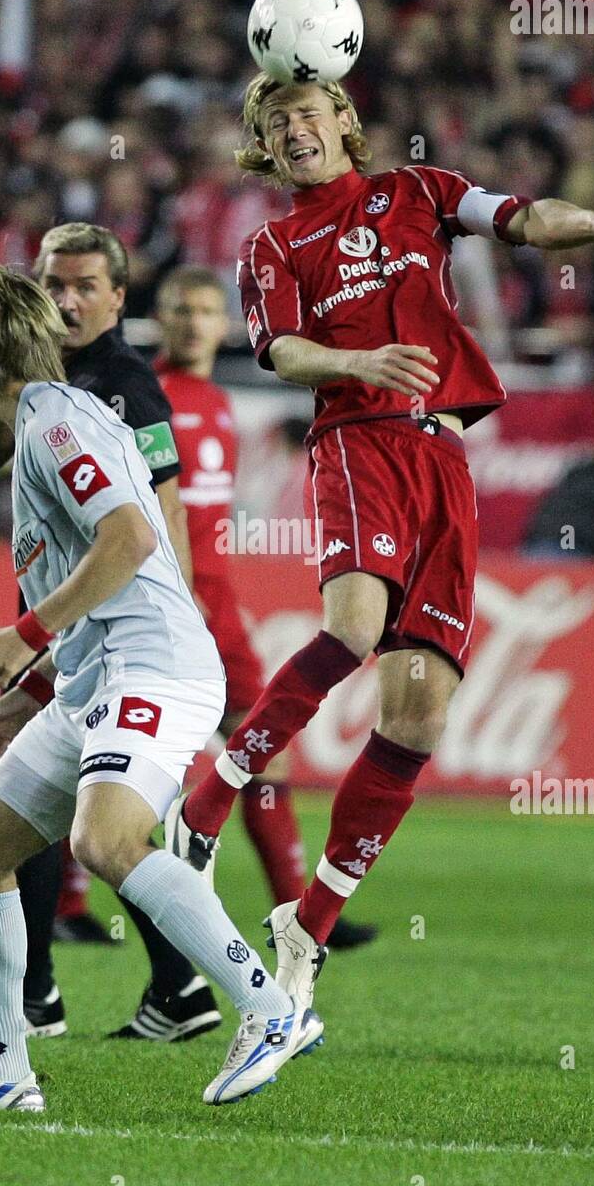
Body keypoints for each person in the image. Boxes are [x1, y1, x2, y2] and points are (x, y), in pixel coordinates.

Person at [166, 74, 594, 1016]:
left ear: (346, 120)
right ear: (265, 149)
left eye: (309, 113)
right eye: (276, 124)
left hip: (445, 456)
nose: (295, 130)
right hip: (358, 438)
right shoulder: (272, 245)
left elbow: (522, 217)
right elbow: (281, 354)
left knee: (420, 716)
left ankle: (305, 927)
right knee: (352, 626)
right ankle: (212, 797)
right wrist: (359, 362)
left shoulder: (421, 193)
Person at [0, 267, 322, 1112]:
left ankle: (270, 1009)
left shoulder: (55, 423)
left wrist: (25, 633)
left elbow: (129, 539)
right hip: (94, 675)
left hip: (155, 667)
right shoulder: (46, 422)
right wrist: (43, 678)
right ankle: (2, 1071)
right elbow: (108, 568)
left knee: (106, 838)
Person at [0, 223, 222, 1044]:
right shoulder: (47, 380)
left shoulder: (129, 386)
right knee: (54, 809)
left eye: (84, 286)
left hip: (130, 631)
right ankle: (81, 993)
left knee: (108, 824)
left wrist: (173, 623)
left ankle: (180, 988)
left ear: (118, 298)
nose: (65, 299)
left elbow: (158, 517)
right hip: (78, 623)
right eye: (51, 284)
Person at [151, 264, 376, 976]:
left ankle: (297, 916)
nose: (193, 322)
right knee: (132, 767)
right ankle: (76, 912)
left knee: (263, 755)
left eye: (206, 311)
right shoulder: (144, 397)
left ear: (224, 324)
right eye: (180, 308)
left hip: (220, 606)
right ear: (160, 317)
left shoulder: (218, 401)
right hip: (179, 606)